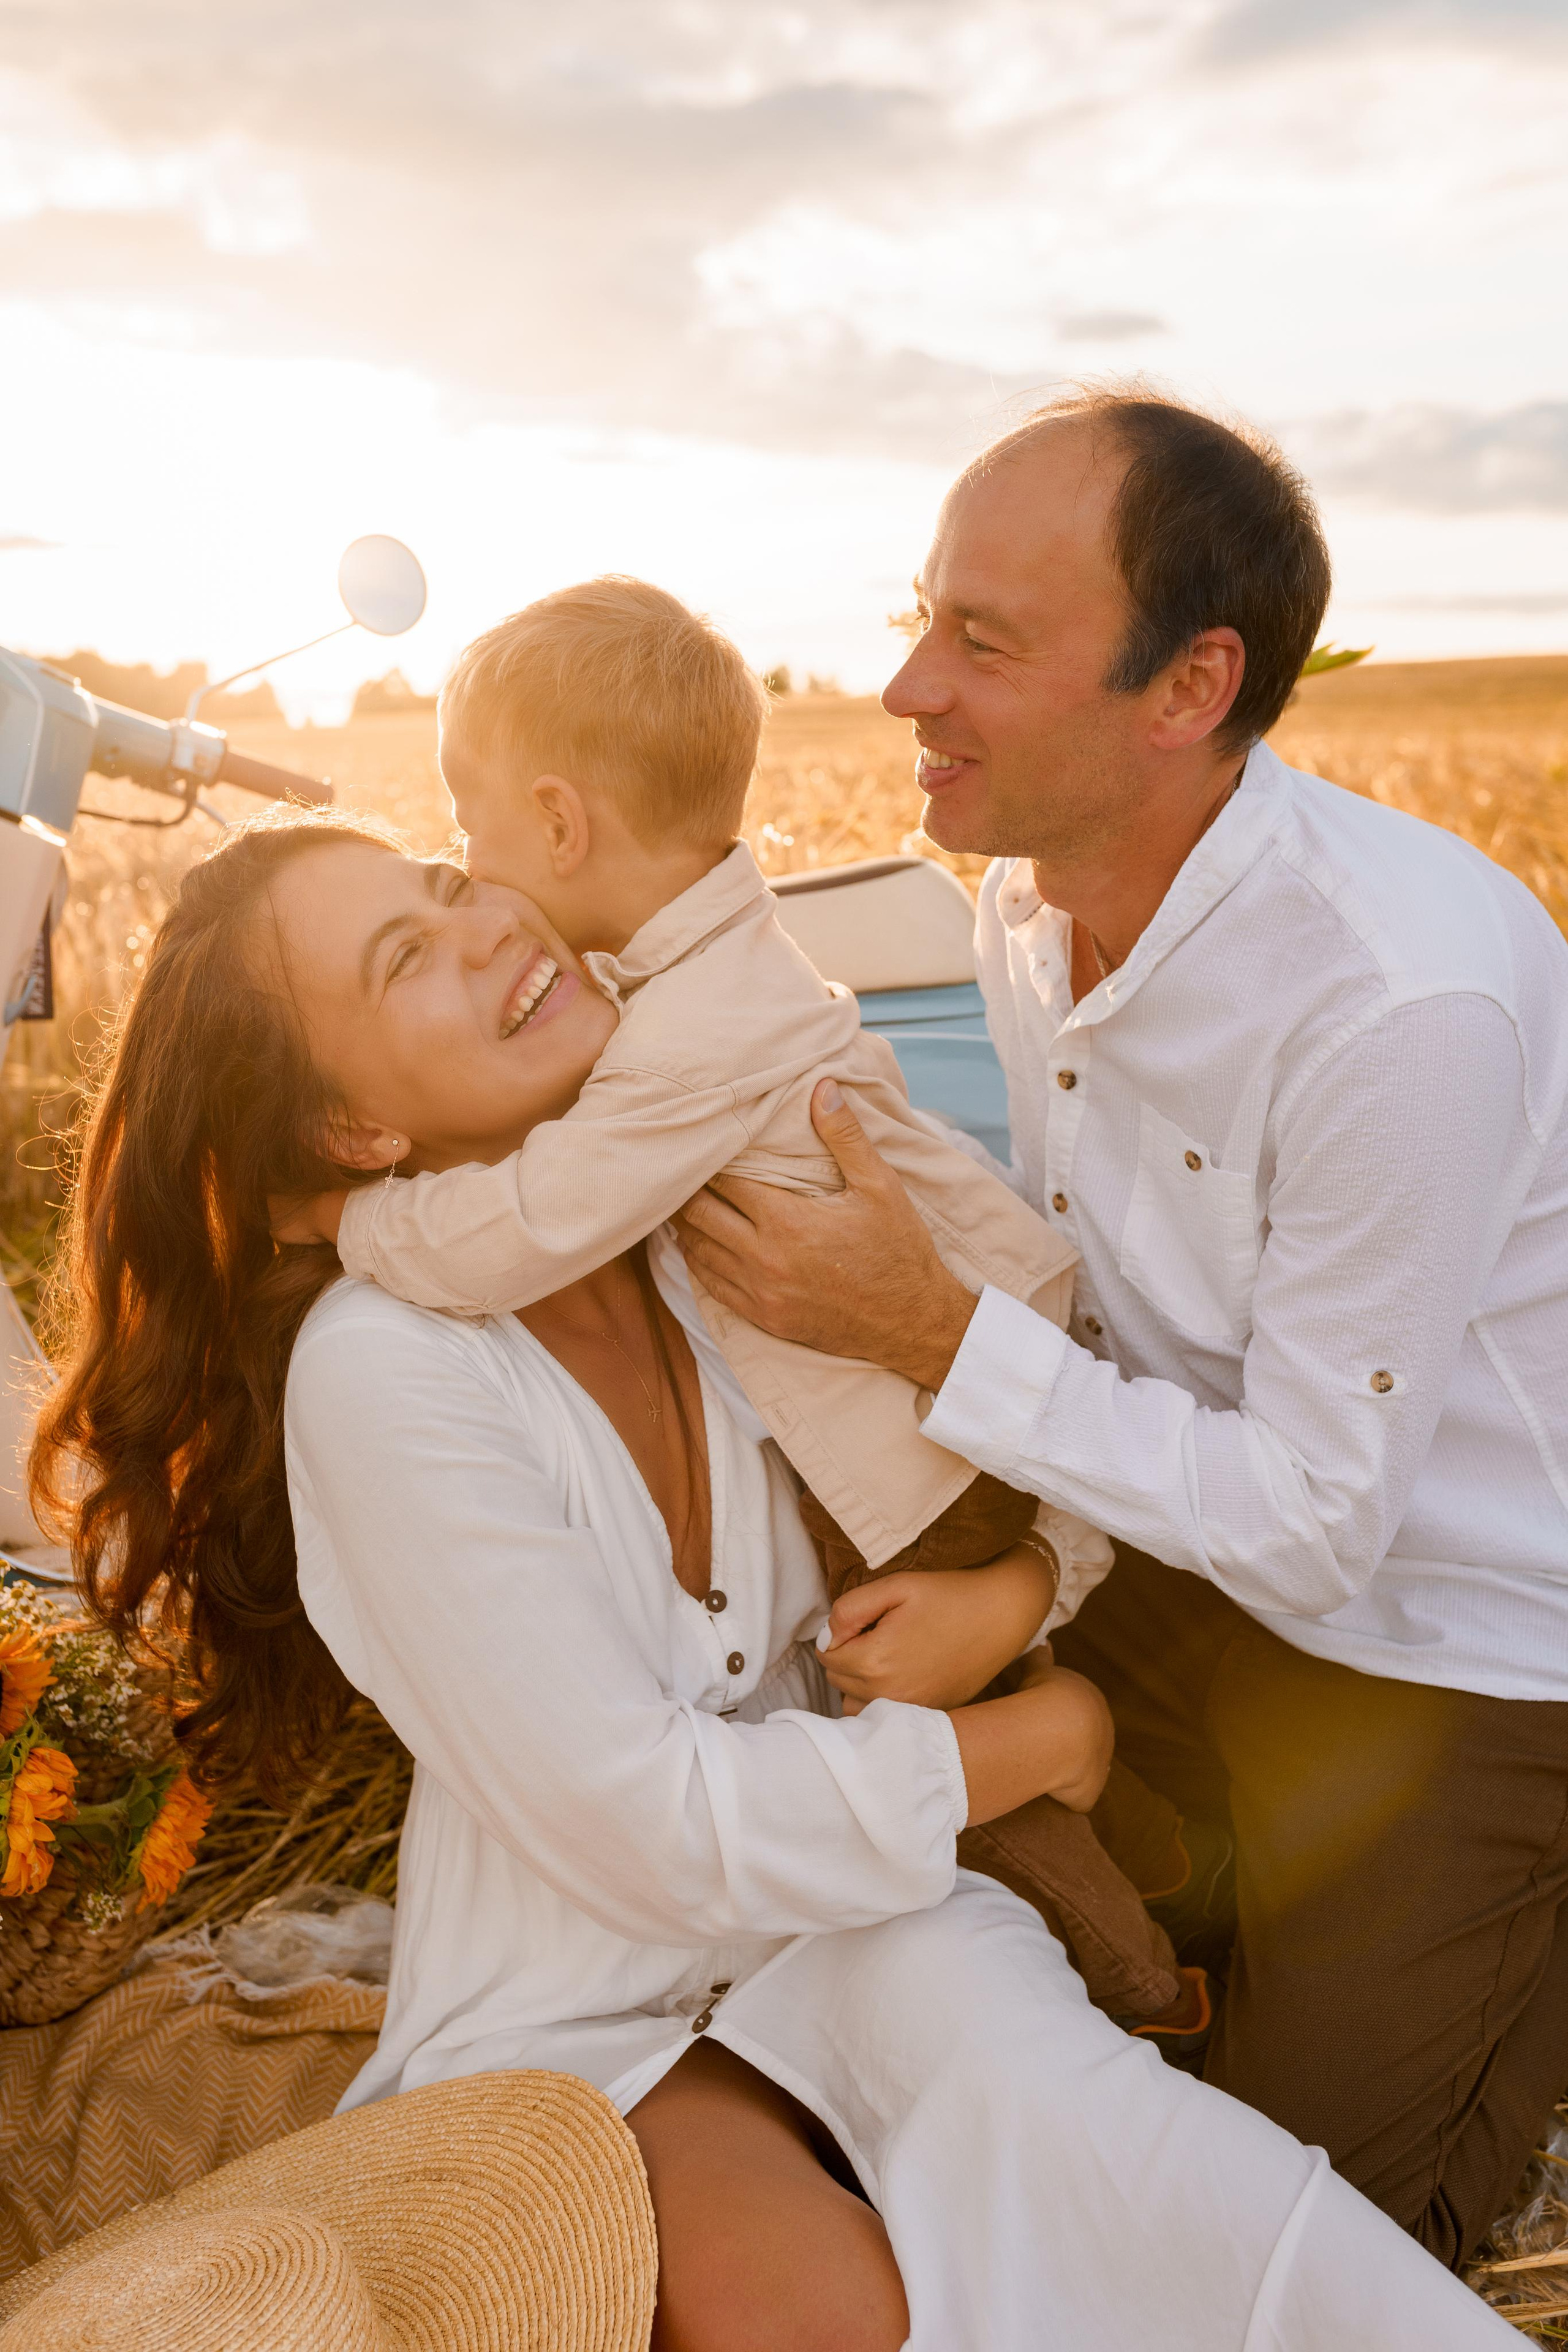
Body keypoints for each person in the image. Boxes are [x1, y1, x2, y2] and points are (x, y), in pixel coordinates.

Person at [29, 810, 1510, 2350]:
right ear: (354, 1135)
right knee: (818, 2317)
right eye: (407, 956)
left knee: (1160, 2194)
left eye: (448, 884)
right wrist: (1043, 1740)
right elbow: (650, 1835)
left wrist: (1014, 1597)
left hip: (873, 1915)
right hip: (586, 2015)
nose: (485, 925)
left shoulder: (726, 1220)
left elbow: (1037, 1422)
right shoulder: (384, 1374)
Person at [676, 383, 1568, 2270]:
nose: (907, 686)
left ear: (1190, 688)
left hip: (1475, 1638)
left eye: (982, 642)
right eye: (923, 614)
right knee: (867, 1846)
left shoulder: (1391, 1004)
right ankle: (1110, 1747)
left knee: (1303, 2234)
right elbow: (1143, 1362)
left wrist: (933, 1341)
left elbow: (1330, 1521)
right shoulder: (1025, 900)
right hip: (1204, 1564)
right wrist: (1036, 1598)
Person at [275, 577, 1190, 2029]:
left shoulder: (689, 1037)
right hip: (948, 1418)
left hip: (943, 1445)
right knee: (948, 1743)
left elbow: (525, 1225)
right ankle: (1138, 1875)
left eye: (469, 833)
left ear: (560, 823)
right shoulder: (706, 980)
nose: (474, 870)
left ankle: (1148, 1977)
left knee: (967, 1778)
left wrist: (349, 1217)